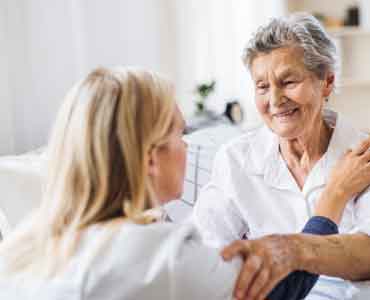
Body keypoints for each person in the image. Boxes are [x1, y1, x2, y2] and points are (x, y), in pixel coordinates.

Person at [0, 67, 368, 300]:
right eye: (181, 133)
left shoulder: (22, 248)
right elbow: (275, 291)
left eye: (289, 81)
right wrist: (332, 200)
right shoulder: (164, 257)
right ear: (148, 158)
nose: (187, 145)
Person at [193, 13, 370, 300]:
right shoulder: (236, 159)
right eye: (262, 86)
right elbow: (207, 253)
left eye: (288, 82)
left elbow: (367, 255)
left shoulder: (362, 154)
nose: (275, 100)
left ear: (326, 82)